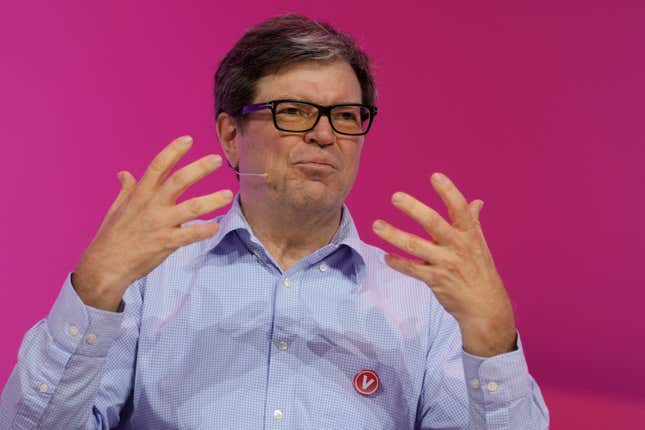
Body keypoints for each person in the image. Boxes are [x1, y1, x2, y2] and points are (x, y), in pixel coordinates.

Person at [0, 14, 549, 429]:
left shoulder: (426, 295)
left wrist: (494, 339)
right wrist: (93, 291)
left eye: (346, 116)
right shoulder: (145, 280)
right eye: (293, 111)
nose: (325, 135)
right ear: (231, 135)